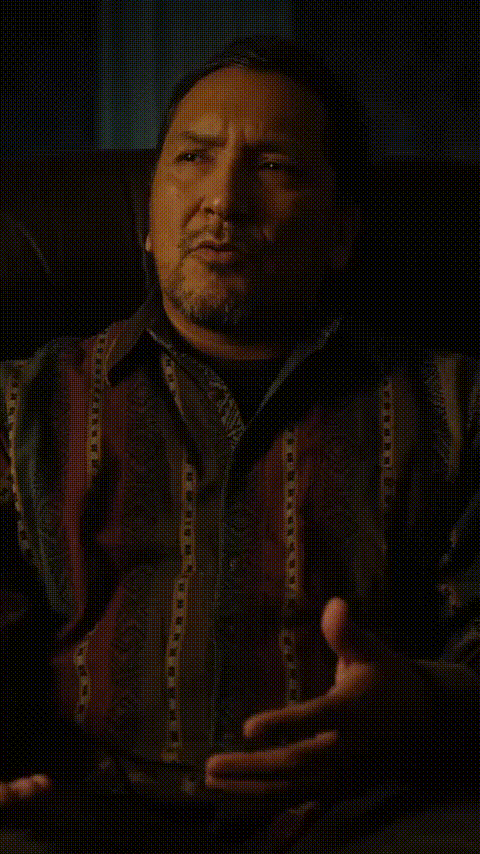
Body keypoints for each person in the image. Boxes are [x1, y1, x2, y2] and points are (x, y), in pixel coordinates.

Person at [0, 35, 478, 853]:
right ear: (148, 218)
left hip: (369, 818)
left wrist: (422, 702)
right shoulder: (22, 408)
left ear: (340, 234)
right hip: (77, 817)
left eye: (277, 167)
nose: (223, 199)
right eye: (193, 157)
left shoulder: (455, 404)